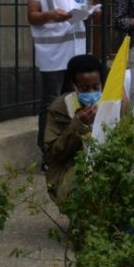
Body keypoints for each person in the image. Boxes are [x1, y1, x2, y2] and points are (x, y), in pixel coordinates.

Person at [27, 0, 96, 161]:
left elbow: (85, 2)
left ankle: (70, 147)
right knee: (51, 101)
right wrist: (50, 15)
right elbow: (32, 15)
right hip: (53, 51)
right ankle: (47, 151)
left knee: (74, 99)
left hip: (76, 48)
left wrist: (92, 10)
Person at [43, 55, 104, 204]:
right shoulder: (60, 109)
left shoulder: (111, 103)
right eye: (84, 88)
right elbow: (53, 154)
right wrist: (77, 125)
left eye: (96, 87)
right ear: (74, 86)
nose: (91, 93)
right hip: (73, 166)